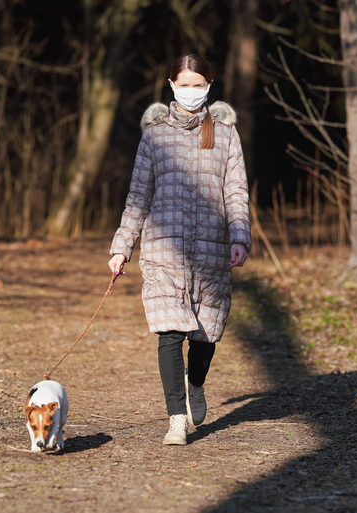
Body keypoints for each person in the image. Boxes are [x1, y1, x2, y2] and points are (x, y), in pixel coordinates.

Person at [108, 54, 252, 446]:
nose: (190, 91)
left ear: (209, 85)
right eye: (183, 84)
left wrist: (239, 237)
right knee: (169, 333)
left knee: (205, 338)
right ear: (171, 86)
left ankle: (196, 382)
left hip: (211, 250)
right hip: (163, 251)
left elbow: (235, 191)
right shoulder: (154, 134)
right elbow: (138, 195)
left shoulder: (224, 133)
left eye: (197, 84)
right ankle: (176, 420)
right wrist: (123, 246)